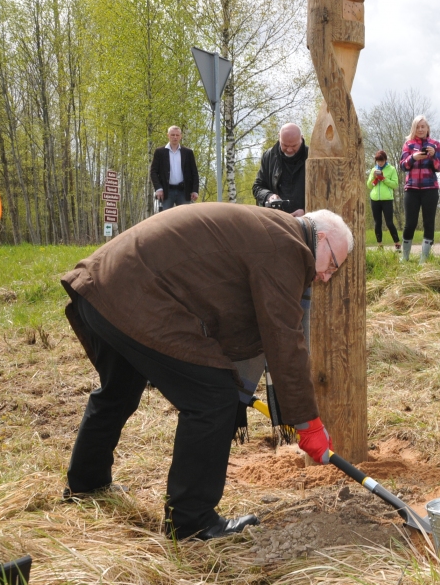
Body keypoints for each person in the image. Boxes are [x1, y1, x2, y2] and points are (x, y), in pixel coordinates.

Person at [61, 204, 353, 540]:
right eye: (332, 265)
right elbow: (284, 340)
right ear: (323, 237)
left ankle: (87, 484)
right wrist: (308, 423)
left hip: (106, 287)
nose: (327, 276)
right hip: (133, 295)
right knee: (213, 399)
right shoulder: (284, 247)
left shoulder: (273, 232)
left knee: (119, 391)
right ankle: (192, 521)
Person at [399, 115, 440, 262]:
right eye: (417, 127)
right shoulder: (408, 144)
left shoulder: (435, 144)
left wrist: (432, 156)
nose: (420, 129)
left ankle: (423, 260)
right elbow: (403, 166)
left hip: (430, 188)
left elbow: (439, 167)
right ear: (414, 128)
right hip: (411, 188)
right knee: (410, 223)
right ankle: (404, 258)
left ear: (427, 128)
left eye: (422, 126)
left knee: (428, 222)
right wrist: (413, 157)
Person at [253, 123, 309, 217]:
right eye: (285, 145)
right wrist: (269, 196)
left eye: (294, 145)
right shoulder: (269, 156)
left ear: (301, 138)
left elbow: (323, 195)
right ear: (279, 137)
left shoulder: (312, 158)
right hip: (276, 221)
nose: (290, 149)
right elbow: (257, 187)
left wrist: (306, 211)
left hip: (306, 221)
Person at [150, 126, 199, 210]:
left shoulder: (188, 152)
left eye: (177, 135)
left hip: (184, 191)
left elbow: (194, 172)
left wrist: (195, 190)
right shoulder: (160, 152)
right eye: (172, 135)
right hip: (166, 191)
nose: (175, 137)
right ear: (168, 135)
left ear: (181, 136)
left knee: (185, 218)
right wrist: (158, 188)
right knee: (165, 218)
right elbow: (153, 171)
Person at [367, 150, 400, 250]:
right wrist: (374, 177)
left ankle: (397, 244)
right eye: (378, 161)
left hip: (387, 200)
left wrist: (383, 179)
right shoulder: (373, 170)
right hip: (375, 199)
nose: (380, 163)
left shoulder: (392, 169)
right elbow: (369, 185)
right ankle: (380, 245)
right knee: (377, 223)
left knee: (389, 222)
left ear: (385, 160)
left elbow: (395, 184)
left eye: (381, 161)